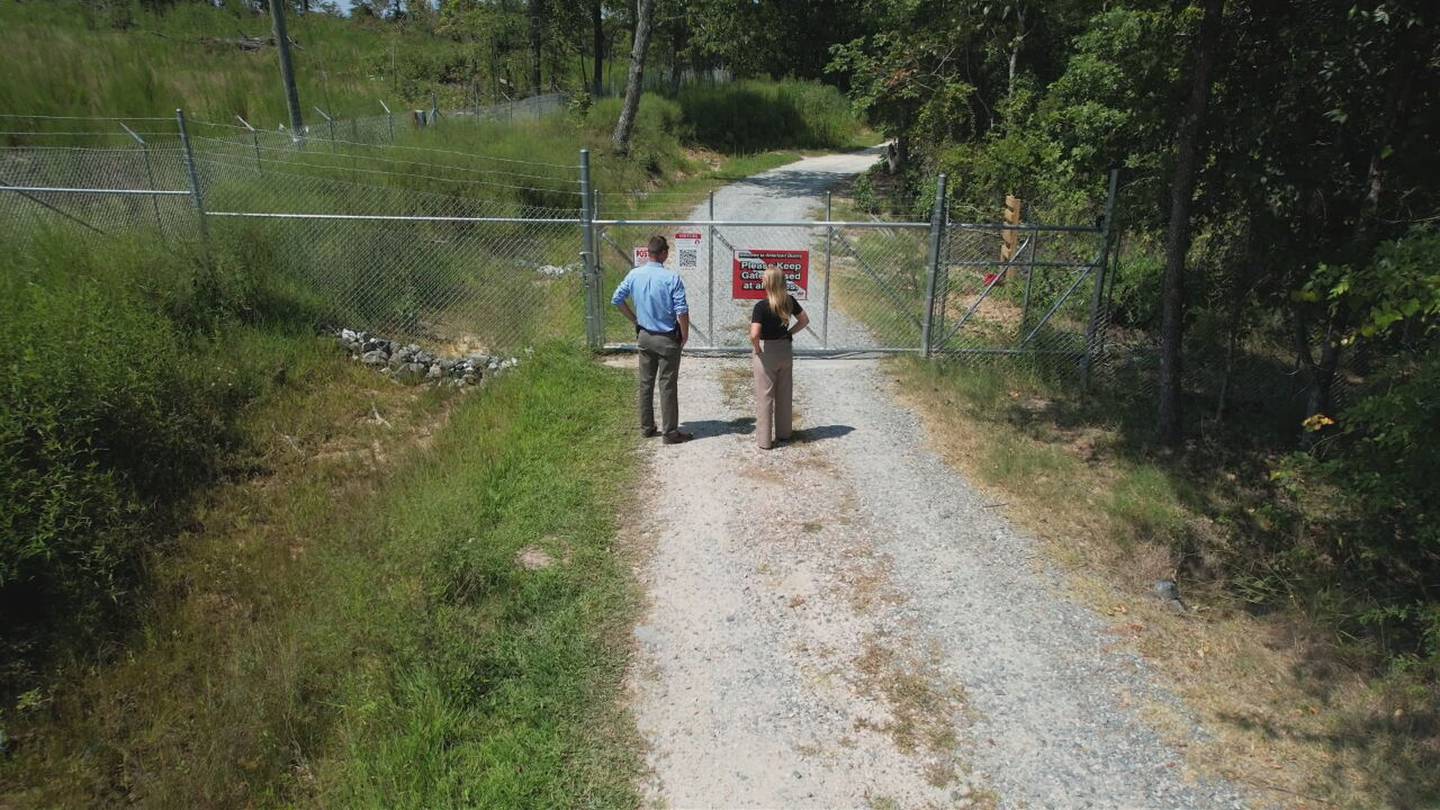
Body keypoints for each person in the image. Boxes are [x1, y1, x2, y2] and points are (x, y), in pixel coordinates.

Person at [612, 235, 693, 444]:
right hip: (667, 338)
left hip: (645, 336)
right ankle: (670, 432)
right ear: (664, 253)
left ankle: (647, 427)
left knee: (645, 383)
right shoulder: (671, 278)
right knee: (667, 385)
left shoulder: (634, 274)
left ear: (649, 253)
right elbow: (681, 310)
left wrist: (635, 320)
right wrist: (684, 334)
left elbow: (617, 299)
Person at [749, 265, 809, 450]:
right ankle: (784, 433)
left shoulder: (761, 306)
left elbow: (754, 334)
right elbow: (804, 320)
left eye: (764, 278)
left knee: (765, 396)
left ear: (769, 282)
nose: (761, 280)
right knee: (784, 393)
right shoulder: (789, 301)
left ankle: (765, 440)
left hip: (767, 351)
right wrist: (789, 332)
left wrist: (757, 348)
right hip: (784, 349)